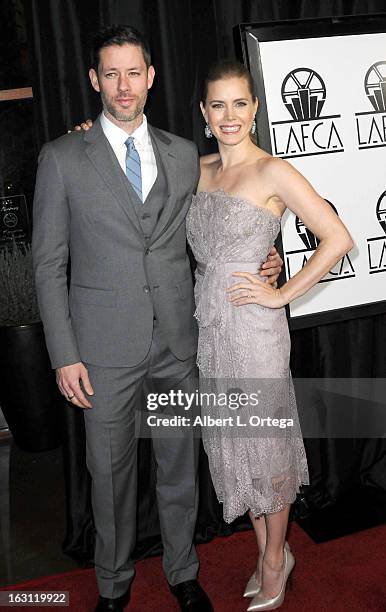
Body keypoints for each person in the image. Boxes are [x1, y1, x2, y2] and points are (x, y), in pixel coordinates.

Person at [32, 26, 282, 612]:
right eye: (110, 74)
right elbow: (47, 265)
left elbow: (224, 218)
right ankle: (114, 587)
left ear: (151, 77)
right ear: (95, 81)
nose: (123, 86)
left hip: (177, 343)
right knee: (109, 477)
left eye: (133, 72)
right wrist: (64, 353)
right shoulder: (63, 157)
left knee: (178, 468)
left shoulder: (181, 154)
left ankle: (183, 572)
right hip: (102, 351)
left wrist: (265, 255)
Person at [185, 60, 353, 611]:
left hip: (256, 334)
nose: (229, 115)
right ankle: (264, 550)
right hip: (210, 331)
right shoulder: (199, 170)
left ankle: (278, 558)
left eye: (239, 103)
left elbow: (337, 238)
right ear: (205, 114)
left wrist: (281, 293)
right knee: (238, 446)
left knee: (267, 446)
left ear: (255, 109)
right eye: (218, 105)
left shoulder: (273, 171)